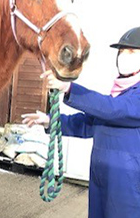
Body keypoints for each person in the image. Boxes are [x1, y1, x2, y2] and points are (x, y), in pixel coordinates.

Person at [22, 27, 140, 218]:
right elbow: (88, 124)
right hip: (101, 178)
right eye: (121, 51)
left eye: (132, 52)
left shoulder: (129, 99)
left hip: (127, 183)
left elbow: (112, 110)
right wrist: (50, 121)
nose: (124, 56)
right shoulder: (119, 93)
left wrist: (70, 89)